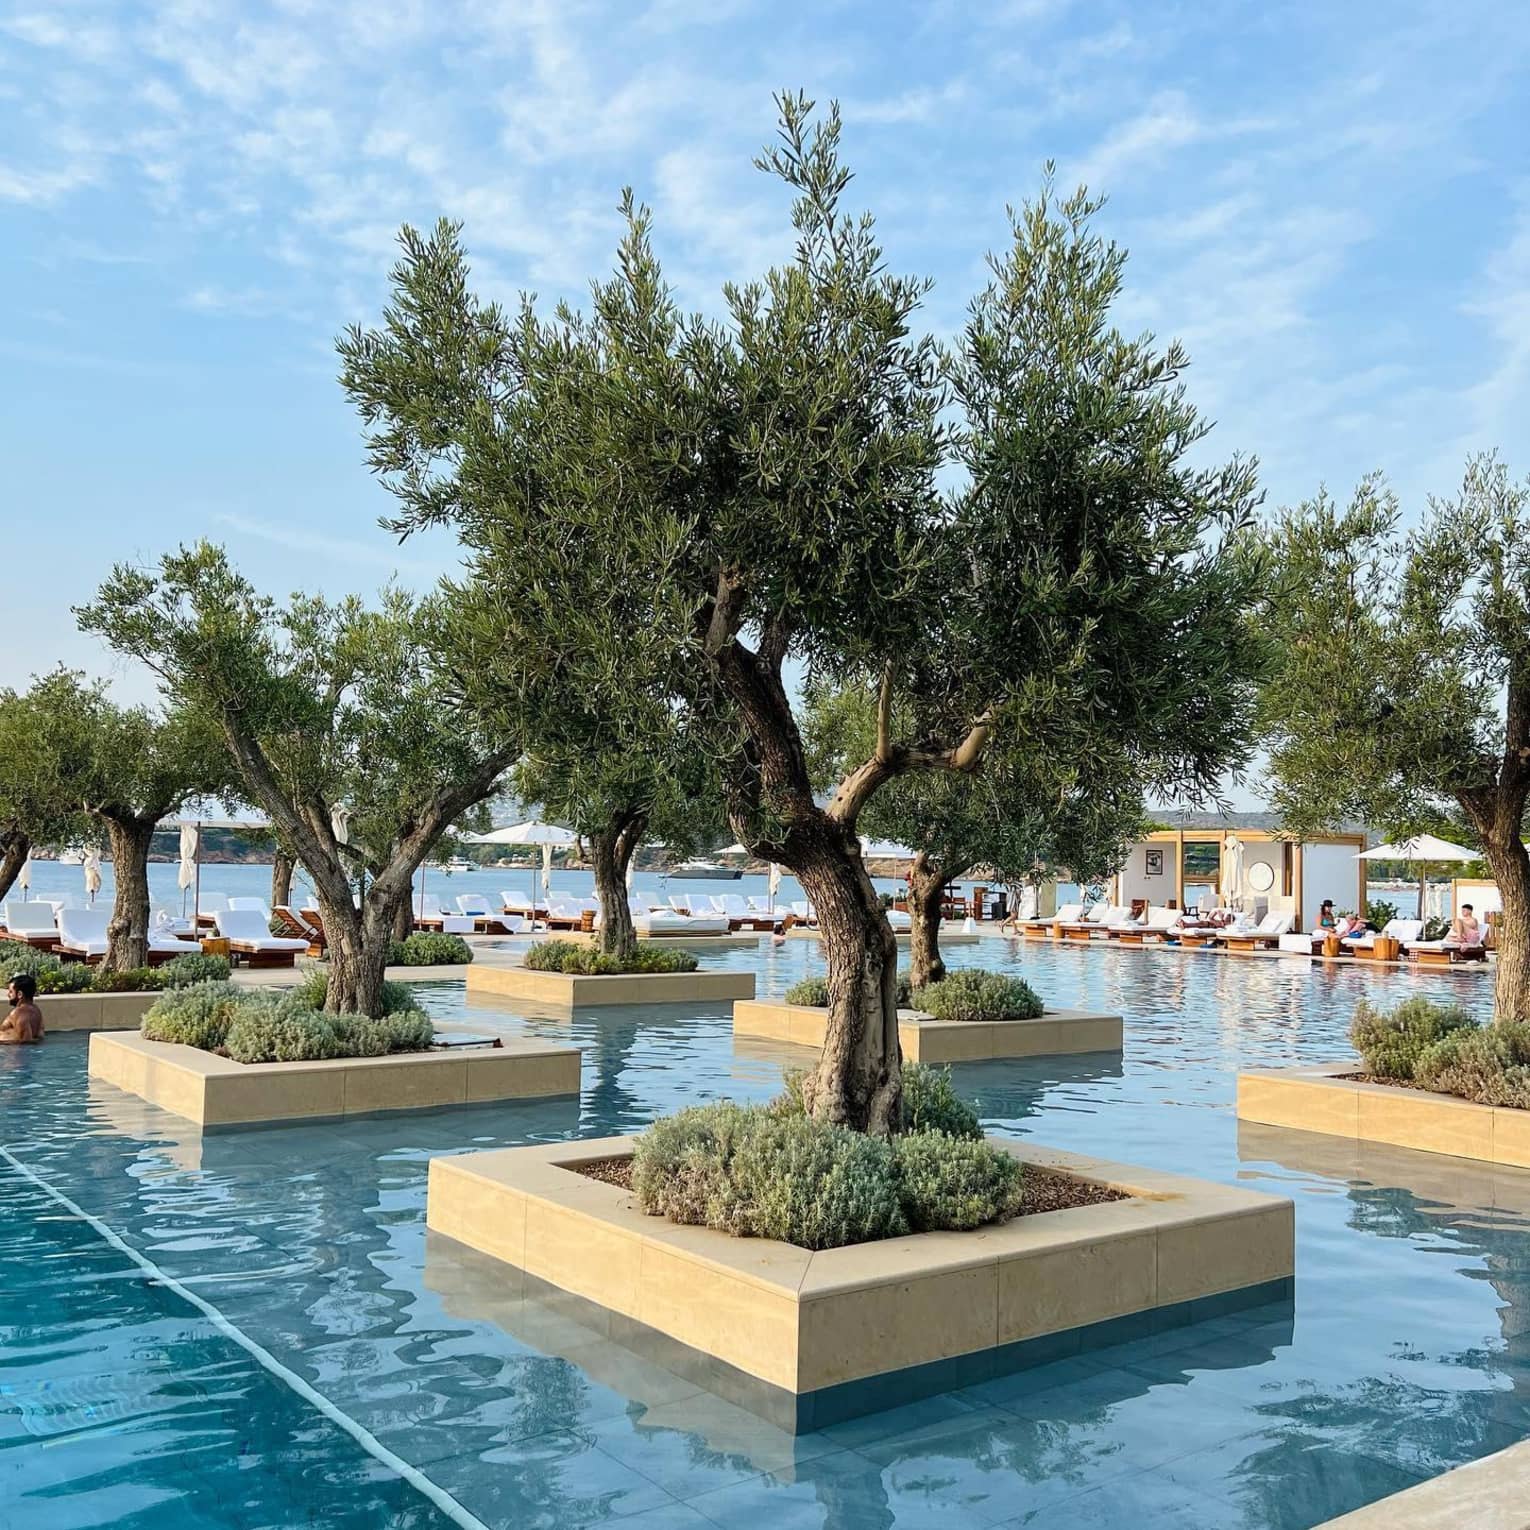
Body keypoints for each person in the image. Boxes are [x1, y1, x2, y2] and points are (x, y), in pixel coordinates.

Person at [0, 973, 43, 1045]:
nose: (8, 995)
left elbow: (26, 1042)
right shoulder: (36, 1010)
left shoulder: (18, 1013)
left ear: (20, 994)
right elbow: (40, 1036)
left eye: (11, 992)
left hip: (9, 1050)